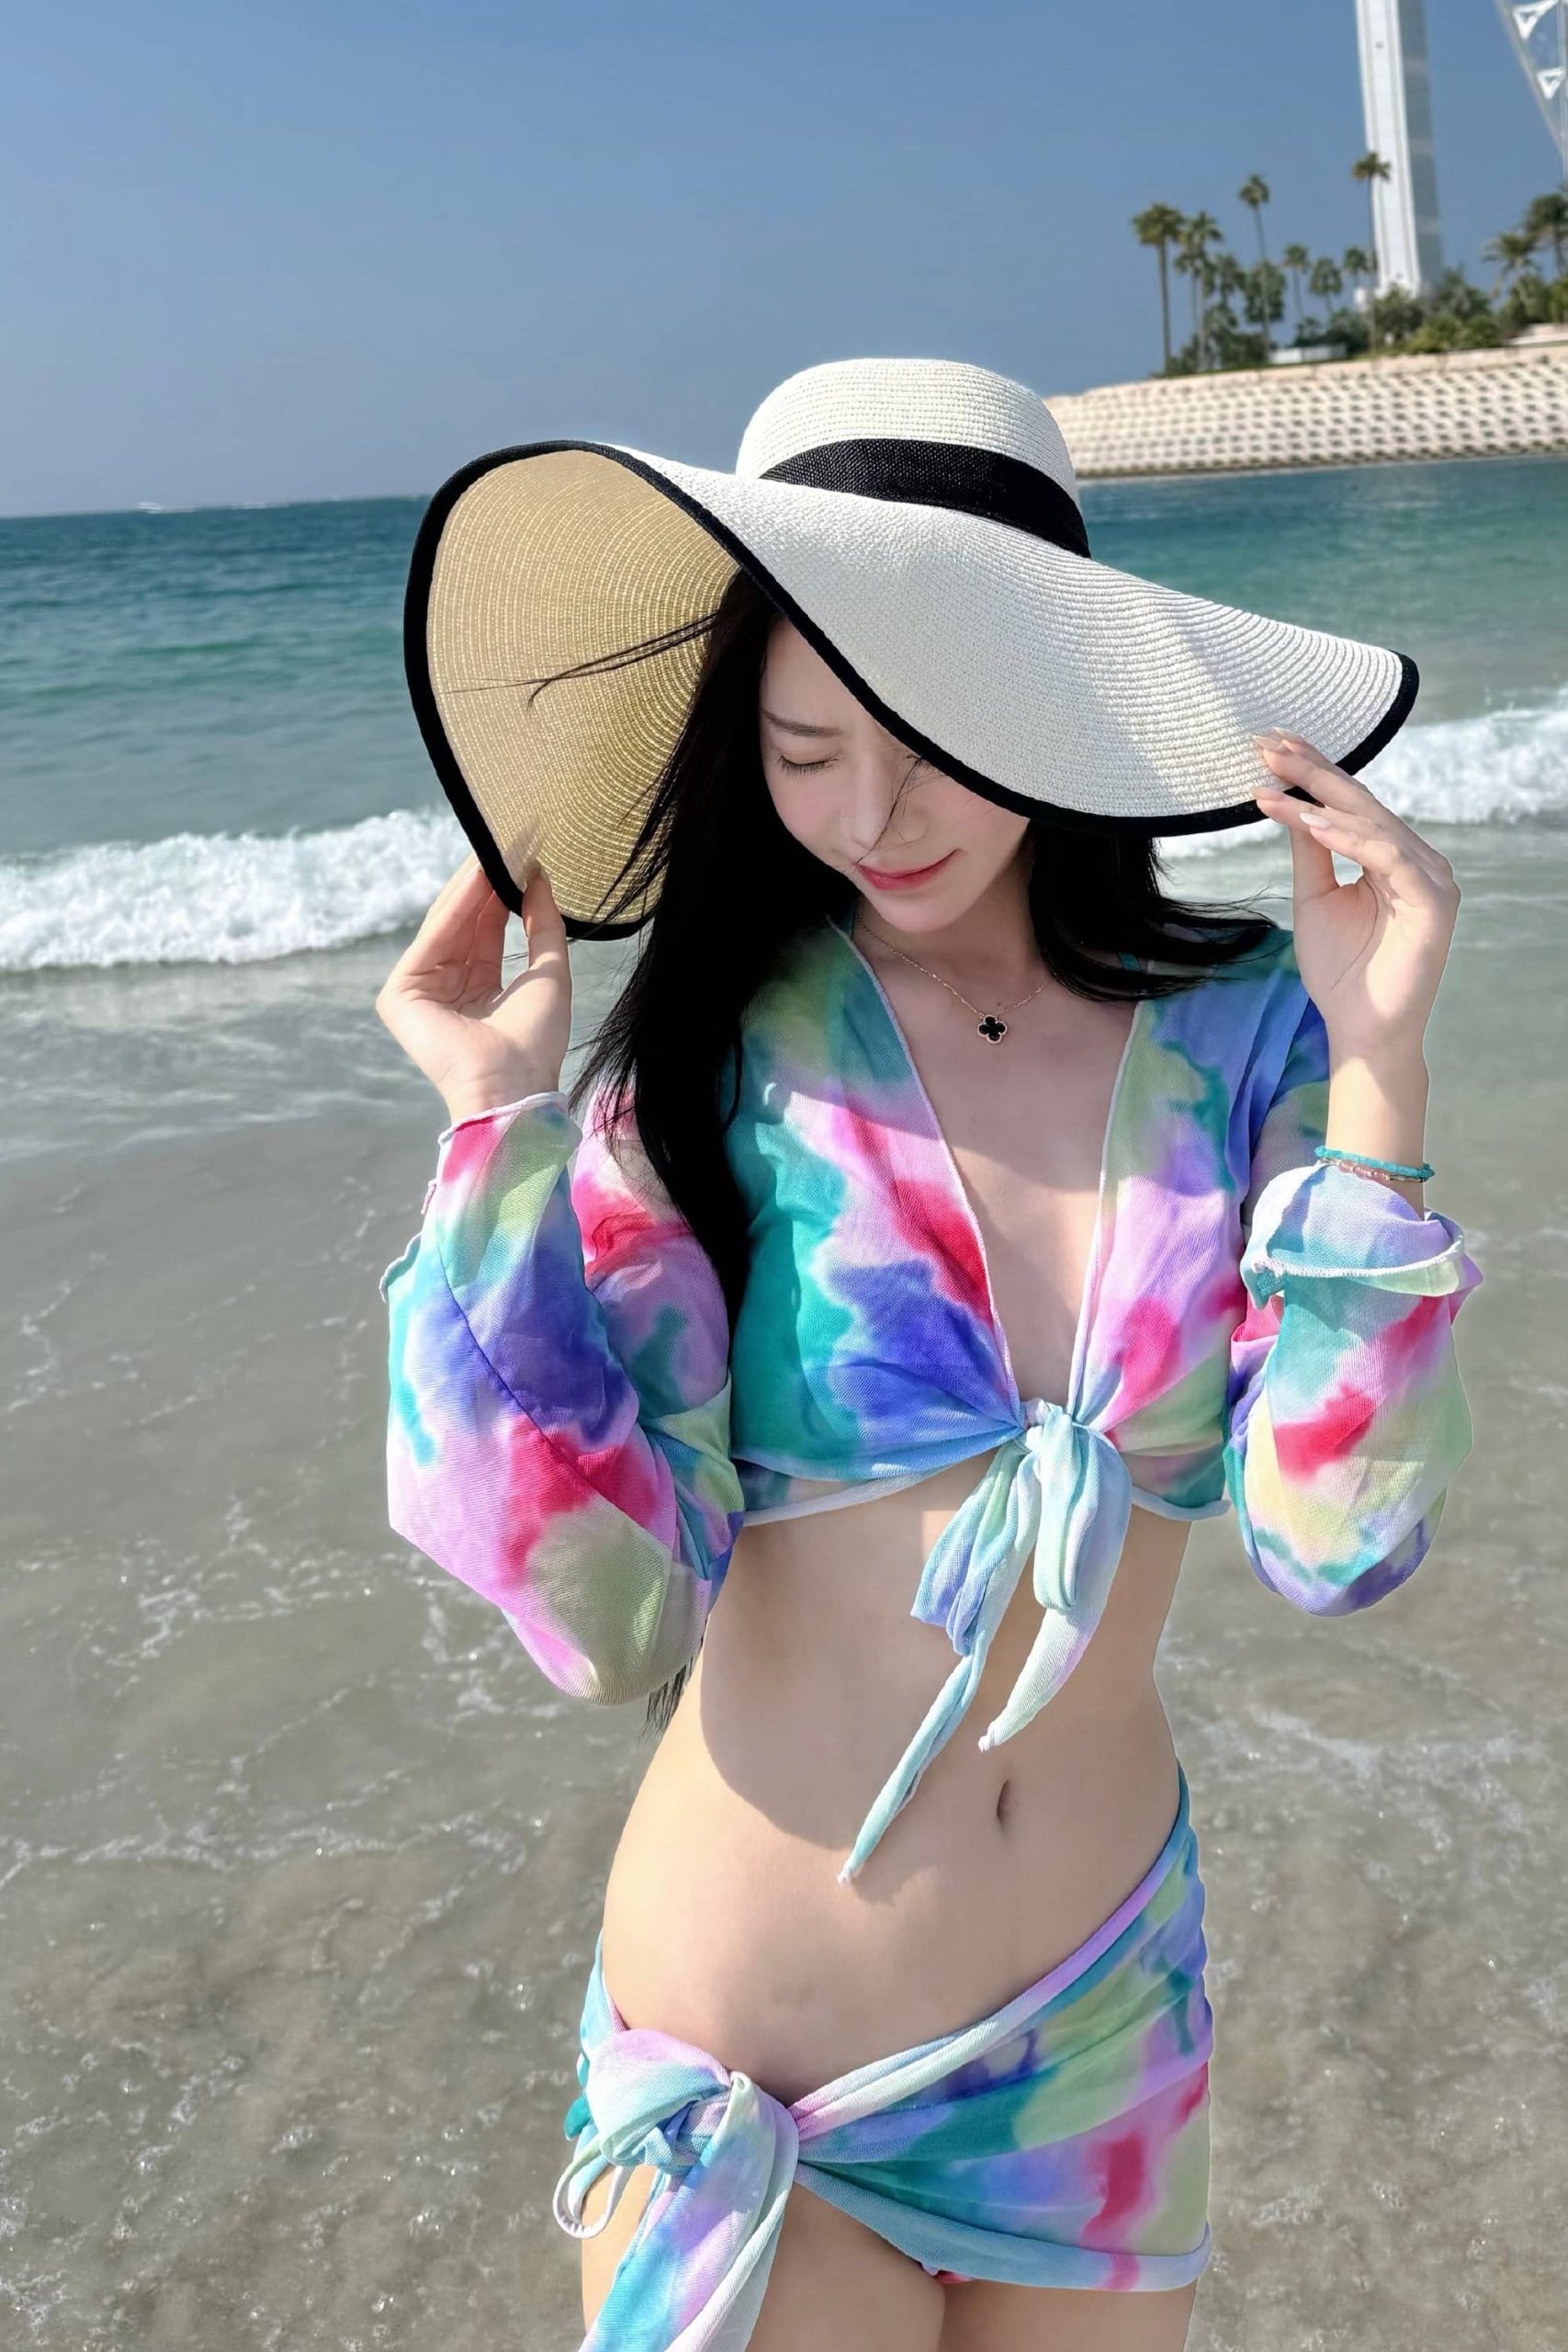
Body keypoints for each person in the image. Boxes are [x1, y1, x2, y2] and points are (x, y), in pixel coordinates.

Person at [374, 359, 1481, 2351]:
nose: (870, 817)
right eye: (803, 750)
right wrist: (490, 1143)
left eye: (931, 748)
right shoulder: (710, 1061)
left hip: (1099, 2045)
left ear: (1053, 707)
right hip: (758, 2054)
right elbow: (607, 1618)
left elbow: (1337, 1543)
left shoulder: (1253, 1030)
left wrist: (1381, 1065)